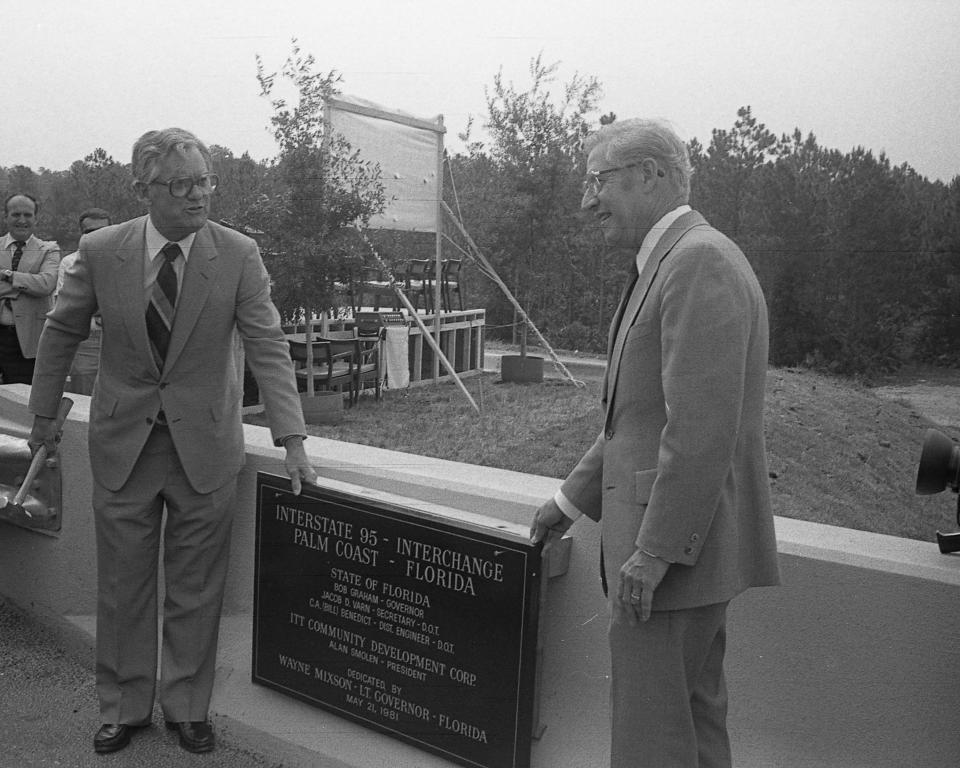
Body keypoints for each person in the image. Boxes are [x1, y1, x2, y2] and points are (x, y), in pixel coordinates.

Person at [28, 127, 317, 755]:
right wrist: (43, 416)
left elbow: (268, 345)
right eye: (181, 185)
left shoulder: (239, 254)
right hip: (123, 447)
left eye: (205, 181)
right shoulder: (101, 250)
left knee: (197, 587)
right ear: (143, 188)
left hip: (206, 451)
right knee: (123, 586)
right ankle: (124, 706)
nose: (198, 196)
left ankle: (188, 706)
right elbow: (60, 334)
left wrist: (291, 437)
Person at [529, 118, 780, 768]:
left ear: (648, 175)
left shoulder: (696, 262)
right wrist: (567, 501)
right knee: (693, 736)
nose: (587, 202)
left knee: (650, 747)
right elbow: (636, 417)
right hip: (678, 563)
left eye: (598, 181)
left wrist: (656, 553)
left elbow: (700, 430)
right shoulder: (672, 262)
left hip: (668, 565)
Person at [0, 193, 60, 384]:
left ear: (36, 218)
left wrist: (7, 275)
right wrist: (27, 285)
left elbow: (46, 285)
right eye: (16, 214)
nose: (22, 220)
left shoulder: (49, 249)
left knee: (21, 401)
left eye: (28, 215)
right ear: (5, 216)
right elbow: (37, 284)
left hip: (28, 342)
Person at [55, 207, 112, 395]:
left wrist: (91, 305)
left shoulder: (125, 261)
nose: (96, 237)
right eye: (89, 232)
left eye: (102, 231)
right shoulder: (69, 263)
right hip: (85, 342)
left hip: (119, 342)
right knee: (83, 401)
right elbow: (67, 309)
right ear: (81, 234)